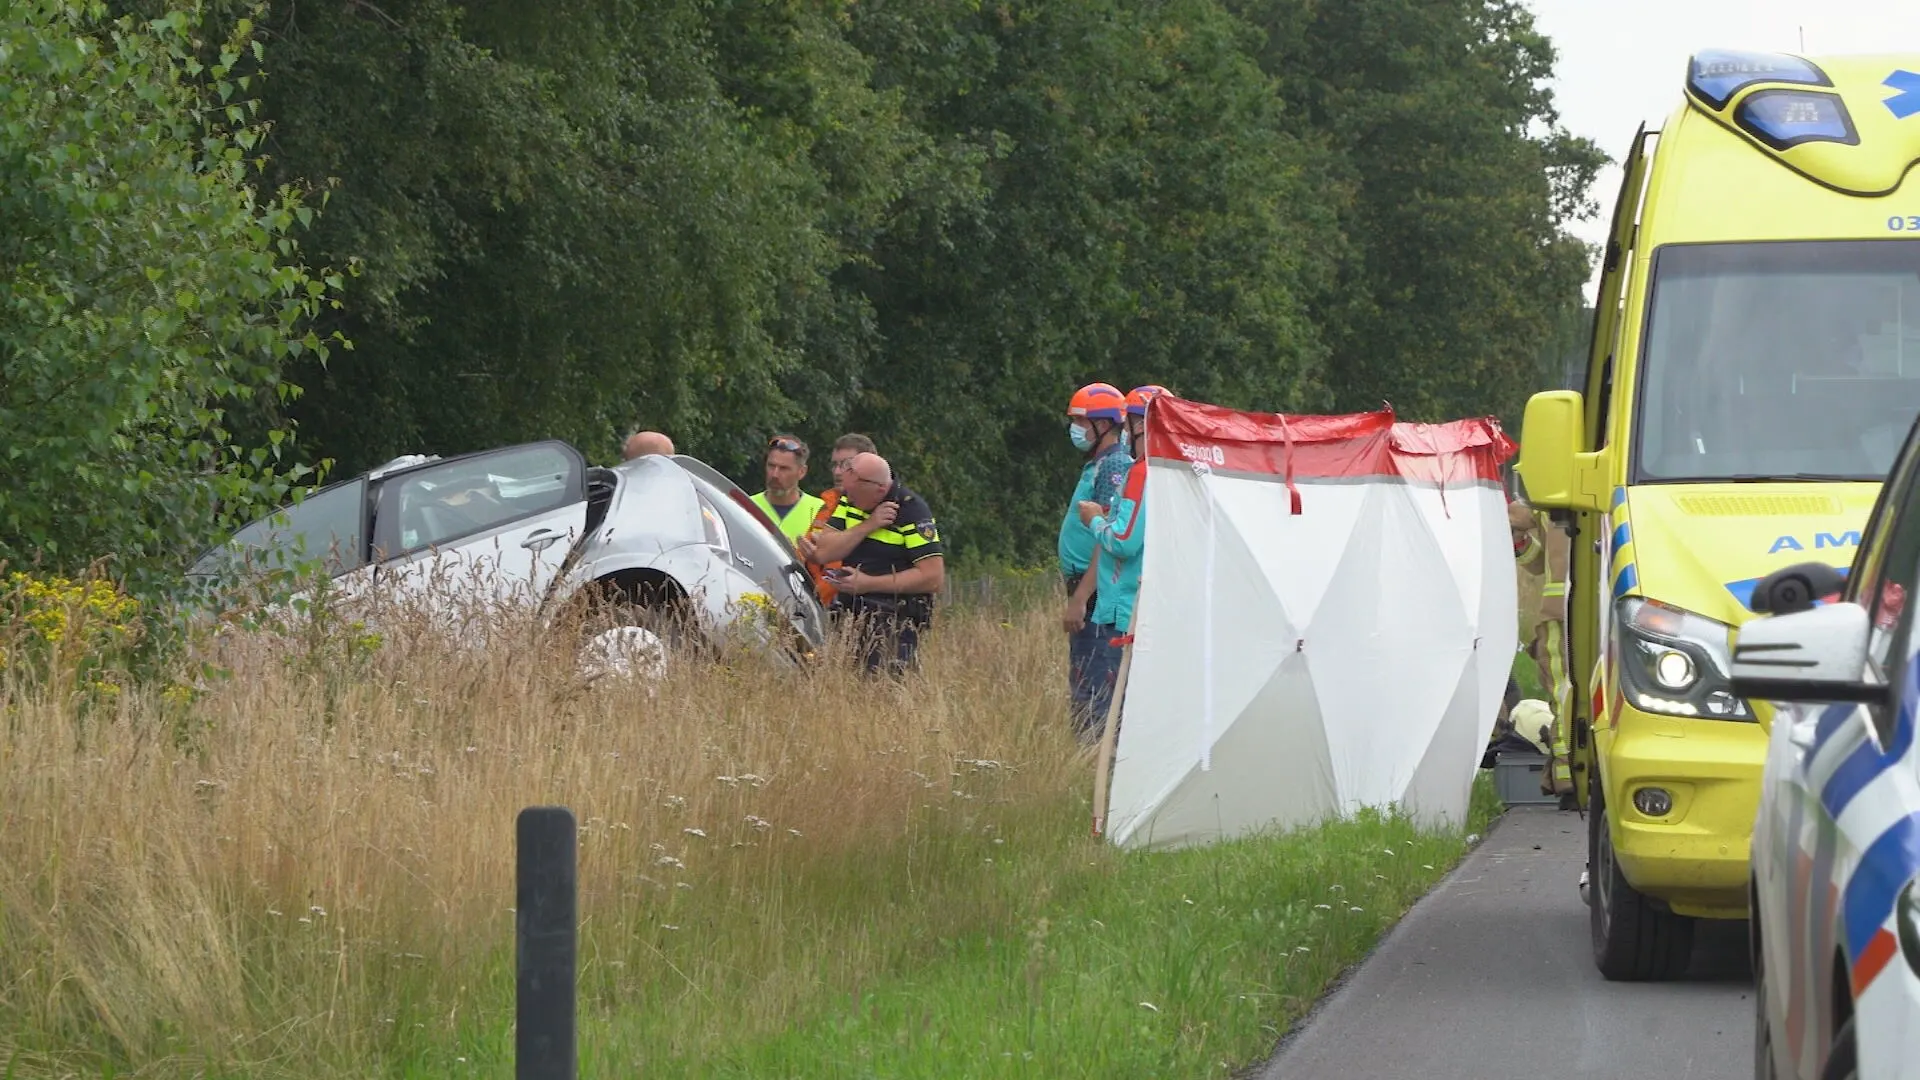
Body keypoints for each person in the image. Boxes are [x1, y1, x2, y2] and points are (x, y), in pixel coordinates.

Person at [1077, 384, 1167, 742]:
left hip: (1124, 606)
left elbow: (1124, 541)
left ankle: (1110, 774)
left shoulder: (1142, 472)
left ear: (1140, 425)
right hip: (1151, 601)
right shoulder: (1175, 471)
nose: (1125, 430)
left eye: (1128, 421)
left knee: (1112, 704)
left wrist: (1095, 520)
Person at [809, 452, 945, 674]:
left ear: (879, 490)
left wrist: (868, 584)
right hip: (849, 615)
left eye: (852, 493)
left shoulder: (911, 511)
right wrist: (868, 525)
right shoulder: (850, 497)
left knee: (881, 691)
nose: (847, 498)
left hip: (894, 621)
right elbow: (824, 551)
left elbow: (933, 578)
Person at [1059, 382, 1133, 736]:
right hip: (1086, 589)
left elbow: (1107, 539)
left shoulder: (1114, 466)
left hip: (1095, 594)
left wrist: (1080, 597)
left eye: (1081, 422)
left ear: (1103, 425)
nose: (1076, 430)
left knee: (1095, 682)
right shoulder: (1096, 464)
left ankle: (1096, 755)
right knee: (1084, 676)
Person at [796, 433, 878, 605]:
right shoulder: (828, 504)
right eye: (835, 465)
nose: (838, 472)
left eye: (846, 464)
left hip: (867, 608)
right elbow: (809, 556)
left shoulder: (886, 509)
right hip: (817, 603)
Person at [748, 434, 825, 544]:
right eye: (771, 466)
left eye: (784, 469)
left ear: (802, 472)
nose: (775, 474)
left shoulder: (819, 510)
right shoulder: (746, 505)